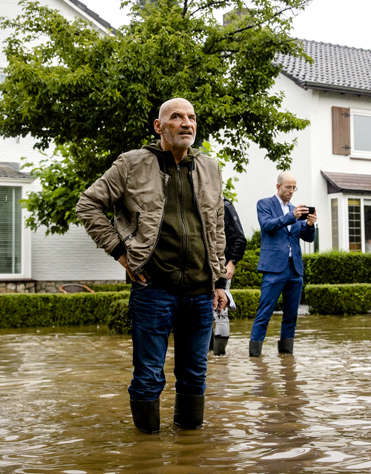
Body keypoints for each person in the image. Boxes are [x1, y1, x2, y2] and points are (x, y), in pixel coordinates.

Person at [76, 98, 228, 433]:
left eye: (191, 117)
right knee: (147, 376)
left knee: (194, 374)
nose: (186, 123)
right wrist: (120, 252)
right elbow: (88, 205)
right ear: (159, 126)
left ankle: (189, 456)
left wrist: (219, 282)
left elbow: (216, 227)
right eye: (176, 117)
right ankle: (146, 454)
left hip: (200, 292)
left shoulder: (211, 168)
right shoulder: (132, 163)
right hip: (152, 288)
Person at [249, 172, 316, 357]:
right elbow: (267, 225)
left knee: (291, 315)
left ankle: (286, 357)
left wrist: (310, 225)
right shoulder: (264, 204)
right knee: (264, 313)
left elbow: (308, 238)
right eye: (288, 187)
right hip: (273, 268)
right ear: (278, 186)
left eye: (294, 188)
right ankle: (255, 358)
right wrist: (291, 216)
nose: (291, 191)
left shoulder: (297, 210)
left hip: (294, 269)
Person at [210, 197, 247, 356]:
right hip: (199, 269)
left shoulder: (225, 206)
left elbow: (240, 238)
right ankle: (207, 353)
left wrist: (231, 262)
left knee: (220, 312)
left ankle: (219, 356)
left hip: (221, 268)